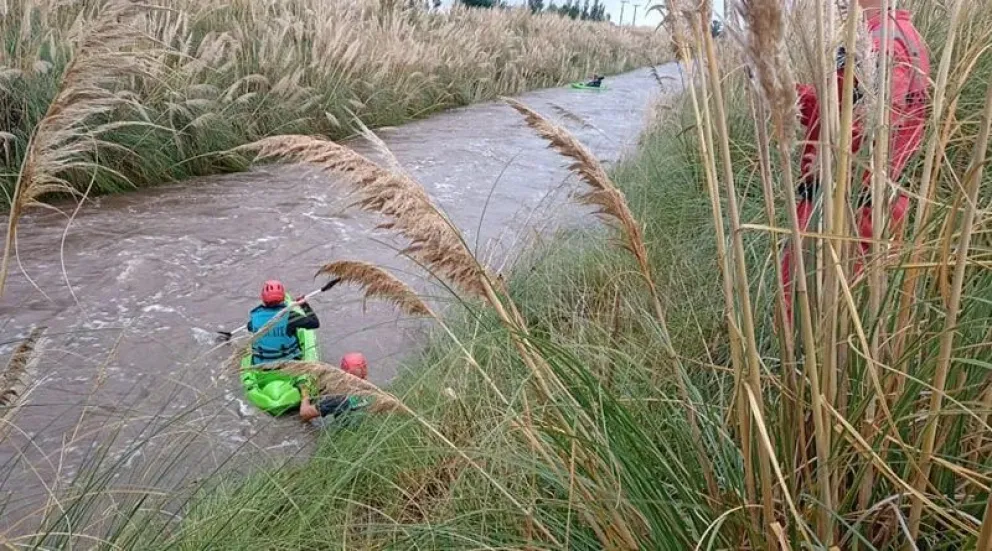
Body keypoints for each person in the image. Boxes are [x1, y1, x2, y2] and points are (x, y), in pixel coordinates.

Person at [781, 0, 930, 319]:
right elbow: (840, 112)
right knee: (856, 317)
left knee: (811, 317)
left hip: (844, 214)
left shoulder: (880, 44)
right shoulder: (902, 34)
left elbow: (857, 137)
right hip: (874, 204)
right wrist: (786, 93)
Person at [247, 280, 320, 365]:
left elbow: (249, 327)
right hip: (289, 365)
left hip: (261, 366)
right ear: (283, 297)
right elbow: (315, 323)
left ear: (263, 298)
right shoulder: (290, 316)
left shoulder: (255, 317)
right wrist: (304, 305)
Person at [300, 352, 374, 424]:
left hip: (345, 433)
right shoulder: (373, 390)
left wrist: (305, 393)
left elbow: (304, 414)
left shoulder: (338, 399)